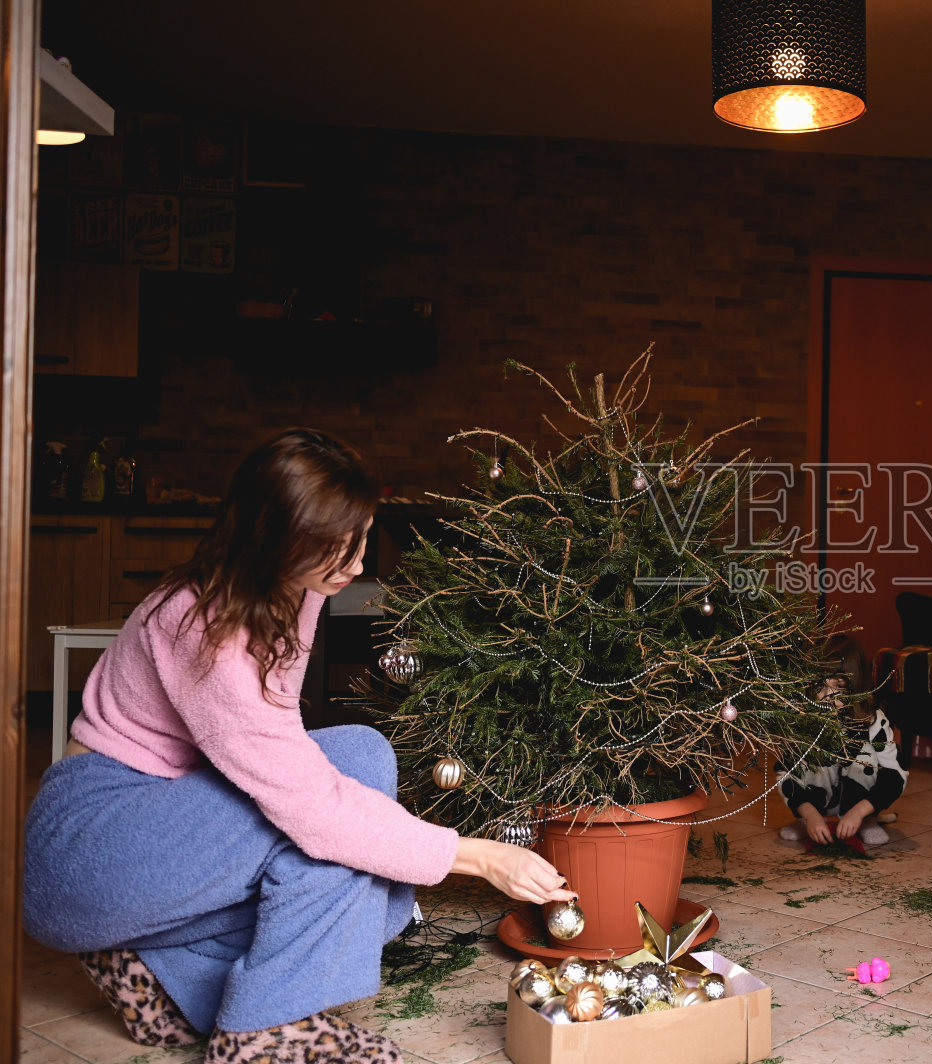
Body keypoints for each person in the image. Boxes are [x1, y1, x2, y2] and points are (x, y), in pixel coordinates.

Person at [23, 428, 574, 1064]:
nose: (359, 566)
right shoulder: (199, 624)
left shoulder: (294, 589)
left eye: (362, 539)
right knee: (345, 795)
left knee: (358, 779)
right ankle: (263, 1032)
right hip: (91, 847)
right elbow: (310, 806)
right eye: (336, 551)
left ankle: (166, 972)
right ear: (272, 539)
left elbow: (282, 740)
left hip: (165, 833)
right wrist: (478, 857)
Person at [779, 635, 907, 847]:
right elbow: (786, 775)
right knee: (805, 762)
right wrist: (809, 814)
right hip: (817, 804)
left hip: (860, 803)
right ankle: (808, 821)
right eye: (821, 687)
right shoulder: (802, 720)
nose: (827, 696)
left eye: (838, 686)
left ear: (854, 684)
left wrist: (860, 811)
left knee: (866, 753)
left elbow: (896, 776)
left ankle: (866, 820)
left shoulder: (875, 722)